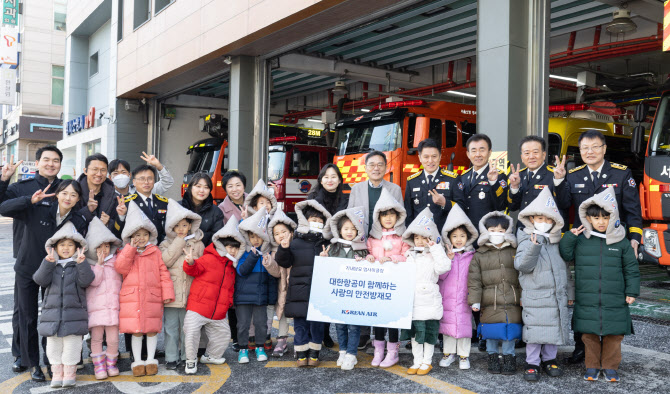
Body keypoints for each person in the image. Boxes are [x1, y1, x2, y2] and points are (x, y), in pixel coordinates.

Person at [553, 129, 642, 363]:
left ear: (604, 149)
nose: (589, 152)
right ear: (580, 151)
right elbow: (562, 205)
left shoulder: (621, 174)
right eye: (584, 148)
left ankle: (608, 351)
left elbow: (633, 210)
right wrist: (559, 180)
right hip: (585, 243)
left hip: (613, 242)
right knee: (584, 294)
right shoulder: (572, 175)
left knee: (609, 294)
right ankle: (581, 347)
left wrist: (634, 238)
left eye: (594, 147)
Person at [0, 179, 88, 381]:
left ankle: (51, 360)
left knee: (53, 318)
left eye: (73, 195)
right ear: (57, 194)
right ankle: (32, 363)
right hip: (28, 269)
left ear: (77, 199)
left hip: (56, 274)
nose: (68, 198)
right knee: (28, 318)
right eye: (64, 193)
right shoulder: (37, 208)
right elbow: (3, 209)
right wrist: (28, 200)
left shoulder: (78, 220)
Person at [559, 187, 640, 382]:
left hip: (615, 298)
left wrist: (632, 291)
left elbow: (631, 268)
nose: (601, 222)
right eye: (596, 218)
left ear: (613, 217)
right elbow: (565, 254)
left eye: (606, 217)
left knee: (614, 335)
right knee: (589, 336)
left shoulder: (621, 241)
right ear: (588, 219)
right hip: (588, 297)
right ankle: (592, 366)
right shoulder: (581, 240)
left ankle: (611, 367)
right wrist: (569, 236)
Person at [0, 146, 62, 375]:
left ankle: (50, 357)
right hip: (27, 260)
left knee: (52, 313)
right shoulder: (21, 187)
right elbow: (2, 206)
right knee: (24, 314)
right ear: (37, 163)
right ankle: (25, 357)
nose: (51, 164)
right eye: (46, 160)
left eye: (55, 160)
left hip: (56, 262)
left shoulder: (64, 188)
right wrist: (7, 182)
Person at [514, 188, 571, 382]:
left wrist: (568, 292)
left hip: (555, 296)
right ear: (531, 219)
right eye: (539, 218)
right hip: (535, 296)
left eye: (548, 220)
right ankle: (532, 362)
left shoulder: (557, 242)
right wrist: (534, 246)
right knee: (535, 330)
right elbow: (522, 265)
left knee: (553, 329)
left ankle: (549, 359)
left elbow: (565, 270)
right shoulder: (525, 239)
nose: (544, 223)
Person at [115, 203, 174, 377]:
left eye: (144, 234)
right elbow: (120, 268)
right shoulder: (125, 251)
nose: (141, 238)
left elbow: (163, 273)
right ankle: (138, 361)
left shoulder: (154, 252)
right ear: (130, 236)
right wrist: (130, 249)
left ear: (150, 235)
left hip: (152, 297)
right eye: (137, 235)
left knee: (151, 330)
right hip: (133, 299)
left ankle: (150, 360)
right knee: (137, 331)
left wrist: (167, 293)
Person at [33, 223, 94, 388]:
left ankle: (69, 374)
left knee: (72, 347)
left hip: (74, 316)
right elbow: (39, 280)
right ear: (54, 247)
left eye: (70, 245)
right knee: (53, 348)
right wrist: (47, 262)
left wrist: (82, 263)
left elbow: (86, 280)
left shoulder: (78, 264)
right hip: (52, 316)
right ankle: (57, 374)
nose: (66, 248)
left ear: (77, 247)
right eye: (62, 245)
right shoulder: (51, 264)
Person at [275, 200, 331, 367]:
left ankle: (314, 354)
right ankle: (300, 353)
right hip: (299, 290)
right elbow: (284, 263)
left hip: (318, 291)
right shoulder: (295, 241)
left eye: (320, 221)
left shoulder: (325, 243)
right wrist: (283, 248)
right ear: (306, 221)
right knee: (300, 324)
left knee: (317, 325)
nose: (317, 223)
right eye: (313, 220)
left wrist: (326, 260)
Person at [181, 216, 239, 374]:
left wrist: (228, 303)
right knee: (191, 331)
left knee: (224, 334)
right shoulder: (209, 258)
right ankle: (191, 360)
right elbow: (193, 269)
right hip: (198, 307)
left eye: (235, 248)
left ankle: (211, 356)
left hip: (218, 312)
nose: (232, 250)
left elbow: (229, 289)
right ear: (220, 245)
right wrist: (190, 262)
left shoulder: (232, 267)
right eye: (229, 247)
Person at [468, 211, 521, 375]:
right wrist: (475, 301)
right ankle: (492, 357)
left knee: (509, 329)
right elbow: (474, 280)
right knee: (491, 330)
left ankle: (509, 358)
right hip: (489, 299)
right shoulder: (480, 254)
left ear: (507, 231)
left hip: (512, 298)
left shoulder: (515, 250)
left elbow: (522, 276)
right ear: (485, 231)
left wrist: (523, 296)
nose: (496, 234)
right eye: (492, 230)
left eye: (500, 230)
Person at [400, 208, 450, 376]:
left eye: (423, 237)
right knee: (415, 335)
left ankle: (427, 362)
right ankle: (417, 361)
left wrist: (435, 248)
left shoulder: (435, 255)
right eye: (416, 237)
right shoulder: (409, 254)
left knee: (428, 334)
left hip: (429, 300)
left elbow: (443, 267)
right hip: (412, 301)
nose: (420, 241)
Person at [365, 188, 410, 368]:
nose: (389, 218)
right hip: (377, 286)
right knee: (378, 319)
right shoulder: (373, 238)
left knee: (392, 319)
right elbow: (367, 252)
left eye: (392, 215)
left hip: (394, 286)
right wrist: (369, 258)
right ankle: (378, 350)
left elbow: (407, 255)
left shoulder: (402, 237)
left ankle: (393, 352)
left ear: (398, 217)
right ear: (378, 218)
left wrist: (392, 258)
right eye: (385, 215)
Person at [159, 200, 205, 369]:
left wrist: (193, 262)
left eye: (184, 225)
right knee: (171, 329)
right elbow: (165, 261)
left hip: (191, 294)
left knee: (189, 329)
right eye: (176, 225)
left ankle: (188, 356)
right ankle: (171, 357)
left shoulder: (198, 244)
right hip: (171, 295)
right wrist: (179, 242)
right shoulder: (165, 244)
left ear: (190, 227)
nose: (180, 229)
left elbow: (202, 267)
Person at [321, 207, 368, 370]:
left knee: (354, 326)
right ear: (339, 230)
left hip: (355, 297)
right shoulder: (333, 248)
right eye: (346, 228)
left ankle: (351, 354)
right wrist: (324, 259)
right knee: (339, 325)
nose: (349, 232)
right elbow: (327, 271)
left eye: (353, 229)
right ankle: (342, 351)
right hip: (338, 296)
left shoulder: (362, 249)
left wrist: (369, 259)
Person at [308, 163, 349, 348]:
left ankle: (343, 332)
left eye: (333, 176)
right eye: (326, 177)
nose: (330, 180)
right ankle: (323, 333)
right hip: (319, 247)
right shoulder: (313, 198)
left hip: (342, 248)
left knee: (340, 291)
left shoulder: (348, 197)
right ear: (321, 180)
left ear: (339, 179)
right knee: (322, 292)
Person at [438, 204, 478, 370]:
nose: (459, 239)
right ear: (449, 238)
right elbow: (440, 276)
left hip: (464, 298)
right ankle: (448, 354)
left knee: (464, 327)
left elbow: (475, 278)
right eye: (455, 236)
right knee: (447, 327)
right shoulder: (445, 255)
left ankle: (464, 356)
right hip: (447, 298)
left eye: (462, 235)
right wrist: (448, 260)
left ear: (468, 236)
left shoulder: (472, 256)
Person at [84, 217, 123, 380]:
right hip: (96, 309)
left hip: (113, 307)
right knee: (97, 338)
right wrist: (99, 265)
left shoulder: (116, 261)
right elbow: (93, 281)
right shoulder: (88, 263)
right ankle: (99, 366)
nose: (104, 250)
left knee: (113, 339)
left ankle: (111, 364)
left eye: (107, 246)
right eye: (99, 246)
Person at [235, 207, 275, 364]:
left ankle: (260, 347)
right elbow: (242, 271)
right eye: (252, 237)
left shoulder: (266, 253)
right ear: (247, 238)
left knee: (261, 324)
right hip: (243, 296)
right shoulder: (243, 252)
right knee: (243, 324)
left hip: (260, 296)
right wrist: (252, 255)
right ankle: (243, 349)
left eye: (259, 236)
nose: (256, 240)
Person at [404, 138, 464, 231]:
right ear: (420, 158)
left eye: (434, 156)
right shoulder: (412, 181)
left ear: (440, 157)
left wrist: (445, 203)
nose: (430, 160)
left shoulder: (453, 179)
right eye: (426, 157)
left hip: (444, 236)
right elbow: (408, 213)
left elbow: (462, 207)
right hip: (420, 238)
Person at [507, 136, 564, 231]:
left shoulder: (554, 174)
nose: (531, 156)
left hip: (547, 232)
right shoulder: (519, 175)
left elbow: (563, 203)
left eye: (535, 152)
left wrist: (559, 180)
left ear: (544, 154)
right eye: (527, 153)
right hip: (523, 231)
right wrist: (514, 187)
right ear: (522, 157)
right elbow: (512, 207)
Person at [265, 209, 297, 357]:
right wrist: (269, 263)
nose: (281, 236)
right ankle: (282, 340)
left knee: (299, 313)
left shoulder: (297, 245)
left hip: (297, 286)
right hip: (283, 288)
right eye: (276, 234)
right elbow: (277, 272)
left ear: (291, 230)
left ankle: (300, 339)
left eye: (283, 231)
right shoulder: (274, 251)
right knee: (283, 313)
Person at [347, 150, 403, 236]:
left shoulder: (395, 189)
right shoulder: (356, 189)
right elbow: (349, 216)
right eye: (372, 165)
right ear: (365, 168)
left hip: (386, 241)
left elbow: (400, 218)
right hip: (361, 238)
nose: (376, 168)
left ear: (386, 168)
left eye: (380, 165)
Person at [460, 134, 508, 231]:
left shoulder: (498, 175)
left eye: (482, 150)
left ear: (490, 152)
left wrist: (493, 182)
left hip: (487, 231)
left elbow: (501, 206)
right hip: (466, 232)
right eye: (473, 151)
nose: (478, 154)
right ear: (468, 154)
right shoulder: (463, 176)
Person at [114, 164, 170, 244]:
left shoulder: (163, 202)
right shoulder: (126, 202)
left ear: (154, 181)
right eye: (142, 179)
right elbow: (117, 232)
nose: (146, 182)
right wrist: (121, 216)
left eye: (150, 178)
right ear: (134, 182)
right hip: (136, 250)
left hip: (160, 249)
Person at [75, 154, 118, 229]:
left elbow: (119, 227)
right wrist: (87, 211)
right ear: (85, 171)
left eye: (103, 170)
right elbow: (69, 221)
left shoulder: (113, 196)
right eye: (95, 169)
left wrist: (109, 223)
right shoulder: (74, 192)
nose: (99, 174)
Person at [180, 173, 224, 246]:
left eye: (206, 187)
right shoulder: (178, 207)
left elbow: (217, 239)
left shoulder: (216, 212)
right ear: (190, 187)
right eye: (198, 186)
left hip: (206, 254)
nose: (202, 190)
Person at [108, 152, 174, 196]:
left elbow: (167, 182)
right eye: (116, 173)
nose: (120, 176)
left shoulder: (143, 190)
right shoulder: (106, 196)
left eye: (124, 172)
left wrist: (159, 166)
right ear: (110, 177)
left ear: (130, 175)